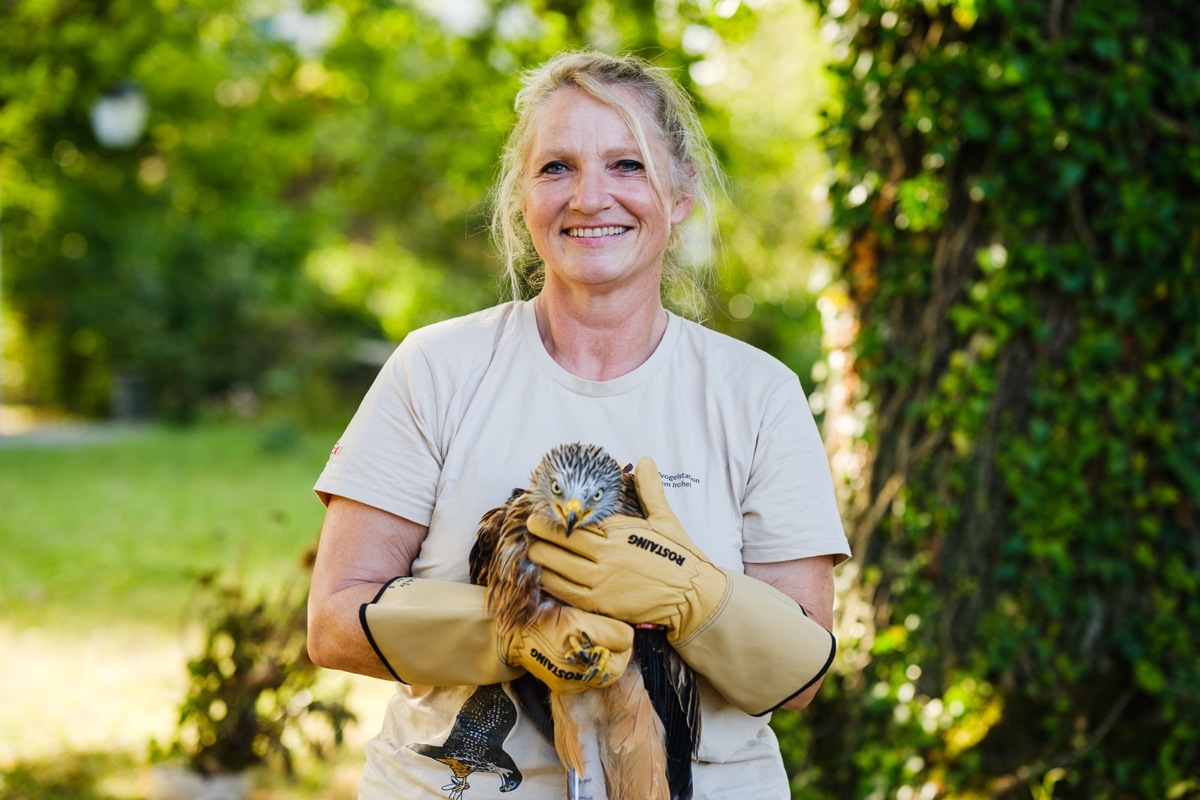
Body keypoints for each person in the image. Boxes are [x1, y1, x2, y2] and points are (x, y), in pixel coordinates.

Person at [307, 50, 850, 800]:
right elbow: (334, 622)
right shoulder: (434, 369)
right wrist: (516, 627)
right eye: (557, 167)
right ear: (522, 197)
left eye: (627, 164)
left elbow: (797, 679)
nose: (591, 197)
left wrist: (695, 598)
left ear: (683, 193)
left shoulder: (757, 394)